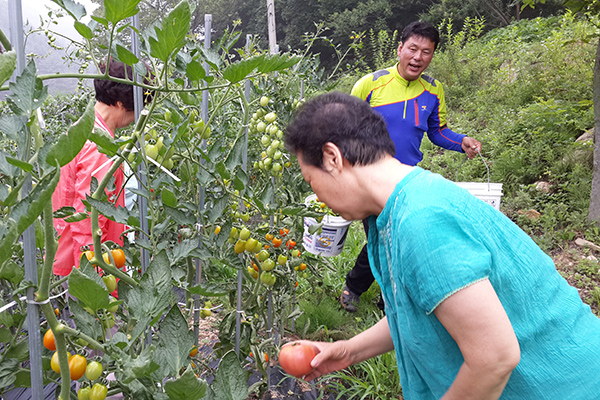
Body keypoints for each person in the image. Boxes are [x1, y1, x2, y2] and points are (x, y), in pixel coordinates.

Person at [284, 91, 600, 399]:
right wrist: (349, 351)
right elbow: (418, 308)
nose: (320, 198)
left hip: (561, 385)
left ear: (332, 157)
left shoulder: (422, 221)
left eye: (313, 182)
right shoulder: (400, 208)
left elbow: (494, 359)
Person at [341, 21, 482, 312]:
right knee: (383, 237)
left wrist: (463, 142)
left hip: (407, 180)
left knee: (398, 238)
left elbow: (437, 131)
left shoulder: (433, 90)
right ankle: (357, 288)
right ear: (400, 49)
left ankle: (384, 298)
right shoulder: (370, 84)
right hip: (370, 177)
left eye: (426, 52)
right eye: (413, 49)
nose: (418, 57)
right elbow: (343, 130)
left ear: (432, 56)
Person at [52, 60, 151, 277]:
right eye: (139, 107)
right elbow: (88, 216)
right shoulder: (100, 146)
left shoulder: (82, 128)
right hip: (88, 262)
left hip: (69, 253)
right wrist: (92, 277)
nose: (138, 117)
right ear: (119, 103)